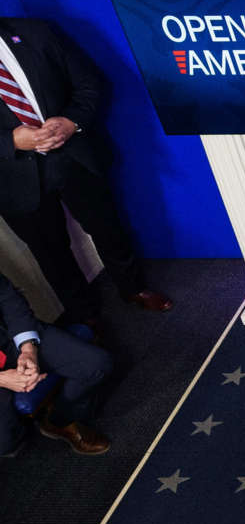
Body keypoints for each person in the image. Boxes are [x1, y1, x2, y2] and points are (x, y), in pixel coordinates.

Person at [0, 18, 171, 324]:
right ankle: (86, 319)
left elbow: (89, 82)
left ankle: (134, 289)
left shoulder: (36, 31)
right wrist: (10, 141)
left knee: (109, 228)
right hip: (11, 176)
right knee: (51, 253)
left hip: (73, 156)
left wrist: (71, 122)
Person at [0, 272, 112, 456]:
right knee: (5, 444)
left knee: (97, 364)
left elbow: (7, 298)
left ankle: (59, 421)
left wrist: (28, 349)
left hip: (8, 338)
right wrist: (2, 379)